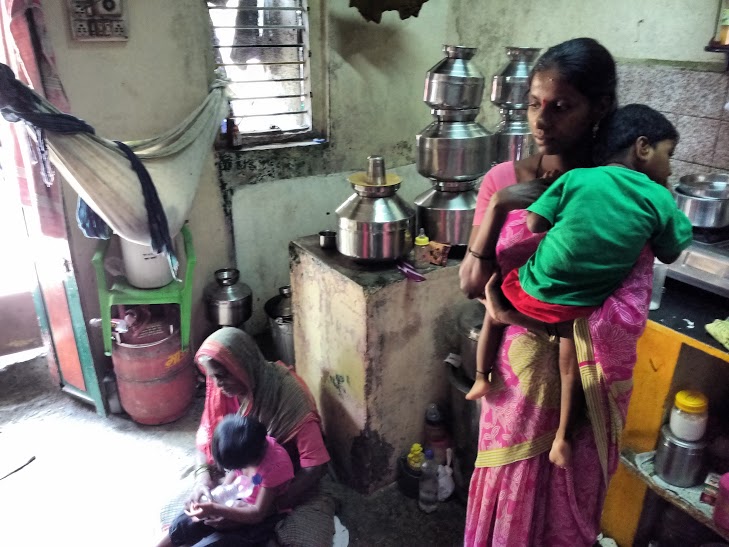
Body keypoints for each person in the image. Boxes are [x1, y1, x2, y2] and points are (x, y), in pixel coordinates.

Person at [458, 37, 660, 546]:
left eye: (561, 107)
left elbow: (631, 304)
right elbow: (468, 284)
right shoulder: (503, 179)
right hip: (516, 386)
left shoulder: (620, 193)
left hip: (583, 391)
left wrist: (523, 309)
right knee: (507, 505)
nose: (541, 121)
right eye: (533, 104)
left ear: (601, 108)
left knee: (566, 516)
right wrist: (503, 205)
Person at [465, 104, 693, 470]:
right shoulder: (660, 199)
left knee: (494, 307)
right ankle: (562, 439)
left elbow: (536, 223)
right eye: (670, 155)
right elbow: (670, 251)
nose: (670, 167)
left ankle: (480, 378)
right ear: (643, 147)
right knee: (571, 368)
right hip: (578, 311)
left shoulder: (578, 179)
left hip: (530, 289)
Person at [161, 327, 334, 547]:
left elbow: (314, 467)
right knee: (186, 511)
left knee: (306, 540)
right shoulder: (221, 390)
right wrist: (203, 479)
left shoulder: (287, 396)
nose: (219, 385)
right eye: (213, 377)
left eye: (223, 376)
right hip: (239, 473)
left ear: (243, 366)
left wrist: (266, 506)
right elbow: (208, 440)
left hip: (281, 483)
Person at [157, 414, 294, 547]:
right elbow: (234, 474)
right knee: (185, 522)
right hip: (239, 497)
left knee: (222, 542)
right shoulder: (246, 447)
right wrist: (219, 497)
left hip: (261, 516)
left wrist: (217, 509)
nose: (237, 470)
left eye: (239, 466)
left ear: (250, 459)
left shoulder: (276, 466)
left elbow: (258, 514)